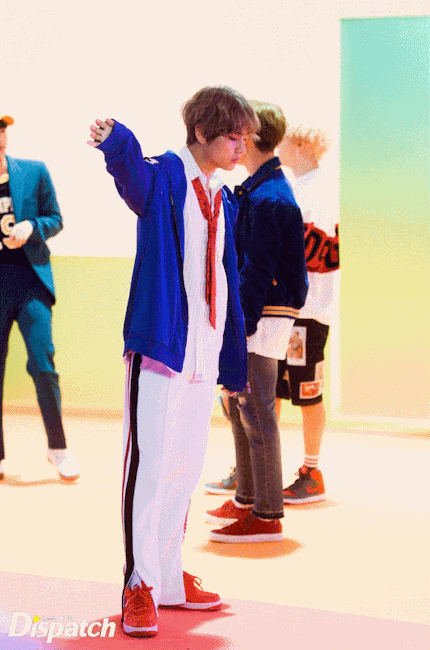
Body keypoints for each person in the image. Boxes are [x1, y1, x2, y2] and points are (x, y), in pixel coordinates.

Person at [88, 87, 259, 638]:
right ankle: (138, 582)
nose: (242, 147)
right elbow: (132, 177)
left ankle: (166, 575)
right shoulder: (164, 176)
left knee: (185, 466)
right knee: (150, 466)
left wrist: (229, 355)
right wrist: (116, 141)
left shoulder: (223, 196)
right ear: (203, 132)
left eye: (246, 138)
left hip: (204, 351)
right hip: (163, 346)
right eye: (234, 136)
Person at [205, 101, 308, 543]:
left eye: (239, 133)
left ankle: (267, 514)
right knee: (240, 406)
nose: (235, 141)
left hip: (264, 313)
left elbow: (257, 269)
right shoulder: (260, 190)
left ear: (252, 137)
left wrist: (240, 326)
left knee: (255, 409)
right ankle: (247, 498)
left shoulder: (269, 197)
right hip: (259, 311)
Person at [0, 113, 80, 482]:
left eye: (2, 128)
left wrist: (32, 226)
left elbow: (55, 218)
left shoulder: (33, 171)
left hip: (31, 281)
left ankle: (58, 447)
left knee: (43, 363)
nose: (1, 135)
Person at [277, 124, 340, 504]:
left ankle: (312, 472)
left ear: (300, 145)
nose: (278, 145)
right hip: (285, 311)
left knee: (307, 392)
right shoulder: (295, 187)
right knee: (271, 389)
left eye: (285, 139)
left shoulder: (319, 192)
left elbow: (319, 254)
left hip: (307, 312)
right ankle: (258, 468)